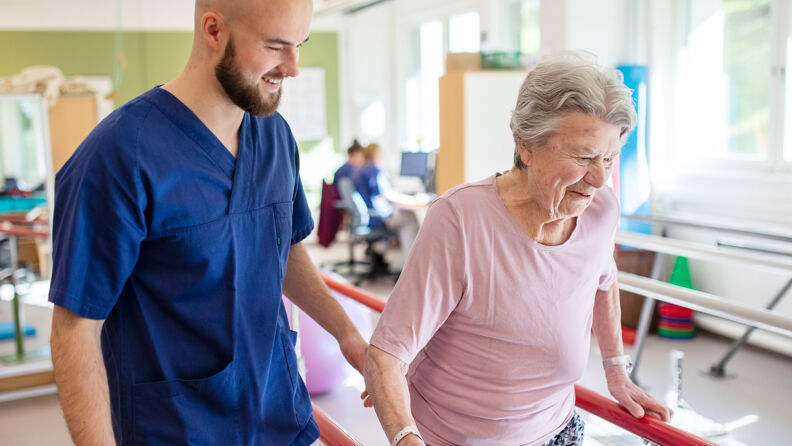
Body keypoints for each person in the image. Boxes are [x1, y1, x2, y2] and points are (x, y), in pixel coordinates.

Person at [48, 1, 368, 445]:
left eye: (300, 45)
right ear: (214, 31)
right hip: (177, 428)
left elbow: (283, 249)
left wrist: (348, 335)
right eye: (276, 46)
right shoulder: (120, 155)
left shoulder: (274, 135)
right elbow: (74, 330)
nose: (293, 68)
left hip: (277, 415)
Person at [363, 53, 671, 446]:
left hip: (555, 430)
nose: (598, 178)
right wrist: (406, 438)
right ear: (527, 146)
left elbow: (604, 279)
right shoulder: (460, 220)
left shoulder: (602, 209)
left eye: (609, 158)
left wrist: (616, 372)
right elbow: (386, 355)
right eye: (583, 156)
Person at [351, 143, 429, 261]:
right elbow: (387, 194)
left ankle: (384, 247)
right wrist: (412, 200)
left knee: (405, 215)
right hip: (377, 217)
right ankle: (412, 262)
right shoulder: (373, 170)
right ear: (376, 154)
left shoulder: (359, 170)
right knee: (410, 217)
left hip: (369, 215)